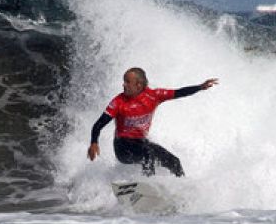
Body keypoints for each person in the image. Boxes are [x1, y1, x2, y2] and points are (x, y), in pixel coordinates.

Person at [87, 67, 218, 177]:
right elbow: (98, 124)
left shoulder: (154, 95)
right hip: (122, 147)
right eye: (124, 81)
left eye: (127, 82)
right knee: (148, 154)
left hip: (141, 143)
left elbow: (179, 92)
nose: (123, 85)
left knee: (174, 161)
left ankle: (183, 189)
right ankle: (149, 186)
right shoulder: (118, 102)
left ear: (138, 84)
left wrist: (200, 87)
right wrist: (94, 142)